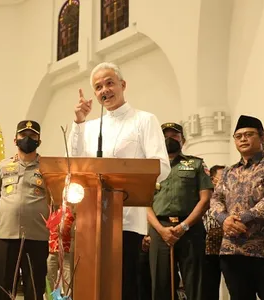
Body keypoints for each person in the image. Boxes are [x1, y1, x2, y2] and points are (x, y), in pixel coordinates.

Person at [68, 62, 171, 300]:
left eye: (109, 83)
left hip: (128, 219)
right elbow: (76, 163)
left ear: (123, 85)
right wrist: (79, 122)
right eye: (98, 87)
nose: (105, 90)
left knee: (124, 286)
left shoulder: (145, 120)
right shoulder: (90, 126)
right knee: (92, 285)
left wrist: (123, 176)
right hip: (91, 219)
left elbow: (161, 167)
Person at [210, 115, 264, 299]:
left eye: (249, 134)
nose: (243, 139)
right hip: (233, 251)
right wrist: (224, 220)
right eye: (238, 136)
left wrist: (240, 219)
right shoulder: (229, 171)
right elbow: (215, 199)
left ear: (263, 138)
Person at [147, 122, 213, 300]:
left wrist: (184, 226)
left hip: (191, 229)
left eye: (174, 136)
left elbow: (205, 199)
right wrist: (161, 230)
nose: (170, 139)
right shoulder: (150, 167)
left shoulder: (196, 164)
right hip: (159, 229)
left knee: (195, 283)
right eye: (165, 136)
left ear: (183, 140)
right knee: (160, 284)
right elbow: (144, 203)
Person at [0, 120, 50, 300]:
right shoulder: (2, 167)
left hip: (37, 236)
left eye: (32, 136)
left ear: (39, 141)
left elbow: (55, 199)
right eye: (23, 135)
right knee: (3, 287)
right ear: (15, 140)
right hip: (6, 235)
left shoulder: (48, 167)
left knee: (34, 287)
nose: (27, 139)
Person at [202, 165, 225, 300]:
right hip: (208, 247)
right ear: (213, 179)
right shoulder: (205, 196)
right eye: (223, 177)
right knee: (209, 287)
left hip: (229, 245)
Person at [45, 204, 75, 293]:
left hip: (65, 250)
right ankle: (49, 297)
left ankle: (67, 296)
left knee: (67, 276)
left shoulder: (71, 215)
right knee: (50, 275)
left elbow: (68, 231)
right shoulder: (52, 213)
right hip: (52, 249)